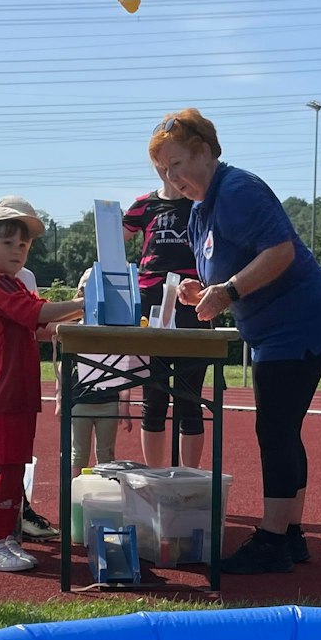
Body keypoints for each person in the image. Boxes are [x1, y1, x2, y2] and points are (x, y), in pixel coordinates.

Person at [151, 108, 321, 575]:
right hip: (277, 330)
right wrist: (204, 290)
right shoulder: (201, 209)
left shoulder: (237, 189)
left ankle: (274, 541)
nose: (171, 178)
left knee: (275, 430)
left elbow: (280, 252)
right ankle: (290, 535)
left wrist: (229, 291)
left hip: (297, 324)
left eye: (176, 164)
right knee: (284, 429)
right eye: (162, 170)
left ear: (205, 151)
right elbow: (225, 268)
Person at [0, 195, 83, 572]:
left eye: (23, 245)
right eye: (7, 242)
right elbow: (38, 313)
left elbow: (43, 323)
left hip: (18, 390)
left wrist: (82, 312)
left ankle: (4, 536)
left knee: (16, 469)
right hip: (3, 391)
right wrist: (83, 303)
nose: (18, 250)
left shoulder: (14, 284)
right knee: (8, 471)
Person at [123, 185, 208, 469]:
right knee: (153, 396)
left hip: (192, 302)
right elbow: (111, 242)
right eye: (164, 165)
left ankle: (189, 477)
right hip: (151, 303)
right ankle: (155, 477)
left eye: (177, 164)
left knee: (190, 398)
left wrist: (209, 285)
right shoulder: (143, 204)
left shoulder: (202, 202)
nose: (171, 171)